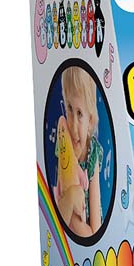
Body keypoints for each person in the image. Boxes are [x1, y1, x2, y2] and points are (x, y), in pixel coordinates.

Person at [55, 66, 103, 236]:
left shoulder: (92, 154)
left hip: (87, 230)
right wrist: (70, 197)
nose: (73, 126)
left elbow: (96, 226)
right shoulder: (64, 141)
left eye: (80, 113)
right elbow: (61, 207)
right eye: (69, 108)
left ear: (90, 120)